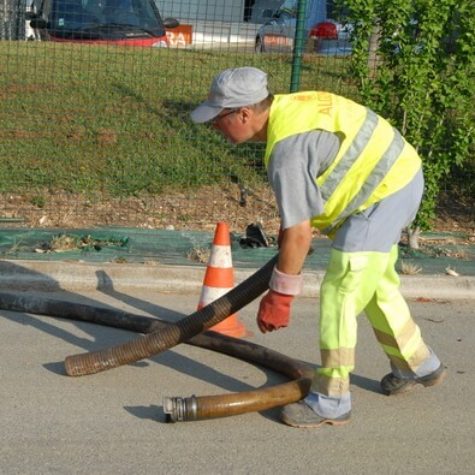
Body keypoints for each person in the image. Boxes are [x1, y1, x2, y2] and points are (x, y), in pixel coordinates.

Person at [190, 67, 446, 428]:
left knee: (340, 291)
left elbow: (299, 233)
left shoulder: (286, 150)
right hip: (400, 176)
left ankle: (331, 399)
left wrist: (280, 297)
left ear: (244, 113)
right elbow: (297, 220)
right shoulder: (290, 110)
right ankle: (419, 364)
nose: (214, 127)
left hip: (383, 194)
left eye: (218, 119)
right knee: (374, 286)